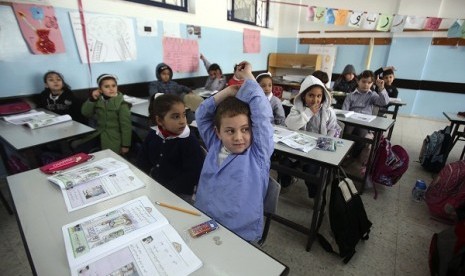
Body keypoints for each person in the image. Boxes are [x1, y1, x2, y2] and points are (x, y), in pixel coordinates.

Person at [194, 61, 274, 242]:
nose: (239, 137)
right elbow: (201, 114)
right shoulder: (215, 144)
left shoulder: (258, 154)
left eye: (245, 129)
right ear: (218, 132)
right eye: (230, 131)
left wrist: (249, 77)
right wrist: (228, 91)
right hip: (205, 219)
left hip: (239, 232)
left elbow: (262, 115)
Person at [280, 75, 341, 197]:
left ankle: (316, 197)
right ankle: (288, 182)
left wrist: (326, 143)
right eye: (311, 95)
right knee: (283, 166)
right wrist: (308, 113)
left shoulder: (328, 112)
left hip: (316, 151)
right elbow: (290, 125)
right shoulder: (297, 109)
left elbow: (333, 130)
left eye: (319, 96)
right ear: (303, 95)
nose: (315, 100)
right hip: (298, 148)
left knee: (311, 173)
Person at [137, 93, 204, 203]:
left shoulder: (188, 141)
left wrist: (165, 190)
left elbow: (192, 174)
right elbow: (143, 160)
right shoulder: (154, 134)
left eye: (184, 115)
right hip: (156, 185)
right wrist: (141, 179)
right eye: (176, 117)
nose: (183, 121)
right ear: (159, 121)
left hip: (180, 193)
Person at [342, 70, 389, 165]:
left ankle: (352, 156)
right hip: (350, 122)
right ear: (358, 81)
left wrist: (381, 88)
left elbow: (384, 102)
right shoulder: (350, 96)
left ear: (372, 83)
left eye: (369, 82)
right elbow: (344, 111)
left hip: (364, 124)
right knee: (346, 131)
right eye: (363, 81)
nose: (366, 85)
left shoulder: (372, 95)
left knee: (361, 135)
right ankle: (343, 154)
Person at [78, 74, 132, 155]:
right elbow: (86, 113)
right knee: (80, 150)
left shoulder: (122, 105)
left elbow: (126, 127)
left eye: (114, 85)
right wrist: (92, 99)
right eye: (106, 86)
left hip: (114, 138)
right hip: (98, 134)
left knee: (109, 157)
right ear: (100, 89)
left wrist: (125, 145)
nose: (111, 89)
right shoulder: (98, 100)